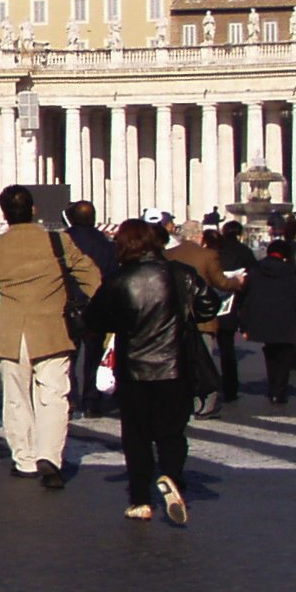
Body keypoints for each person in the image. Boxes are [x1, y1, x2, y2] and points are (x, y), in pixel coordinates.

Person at [0, 185, 102, 489]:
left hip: (10, 330)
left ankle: (24, 459)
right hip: (51, 328)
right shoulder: (58, 241)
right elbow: (92, 276)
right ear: (33, 209)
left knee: (16, 399)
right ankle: (50, 456)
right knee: (54, 397)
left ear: (4, 214)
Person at [83, 219, 203, 524]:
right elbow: (209, 306)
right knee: (172, 432)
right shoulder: (182, 274)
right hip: (174, 366)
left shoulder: (119, 279)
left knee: (136, 435)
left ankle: (140, 499)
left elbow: (95, 319)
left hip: (134, 367)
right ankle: (172, 476)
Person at [160, 208, 241, 418]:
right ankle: (208, 402)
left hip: (175, 317)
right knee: (205, 360)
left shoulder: (167, 255)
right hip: (202, 316)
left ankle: (189, 400)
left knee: (182, 360)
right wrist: (237, 282)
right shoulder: (207, 255)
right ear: (199, 236)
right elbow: (221, 282)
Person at [64, 201, 119, 416]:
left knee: (69, 356)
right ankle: (91, 400)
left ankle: (69, 397)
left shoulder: (62, 240)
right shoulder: (106, 244)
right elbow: (112, 275)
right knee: (94, 356)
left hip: (68, 305)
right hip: (97, 304)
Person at [240, 238, 296, 406]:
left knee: (270, 352)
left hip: (263, 317)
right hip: (286, 318)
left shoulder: (256, 270)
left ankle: (273, 386)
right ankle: (279, 390)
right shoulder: (289, 272)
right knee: (284, 355)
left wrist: (244, 322)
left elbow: (247, 298)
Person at [213, 221, 257, 406]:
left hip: (211, 304)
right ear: (239, 234)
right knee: (227, 349)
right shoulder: (245, 252)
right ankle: (231, 388)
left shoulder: (215, 253)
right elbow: (253, 275)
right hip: (232, 304)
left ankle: (208, 386)